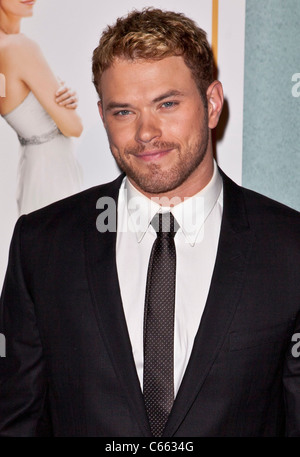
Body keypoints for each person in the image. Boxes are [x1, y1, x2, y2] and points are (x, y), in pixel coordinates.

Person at [0, 7, 299, 437]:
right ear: (102, 115)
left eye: (167, 104)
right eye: (123, 112)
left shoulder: (289, 248)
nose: (145, 132)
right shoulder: (42, 245)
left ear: (212, 104)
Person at [0, 0, 83, 215]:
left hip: (31, 168)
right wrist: (63, 104)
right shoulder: (19, 47)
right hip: (52, 170)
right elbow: (74, 127)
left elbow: (9, 99)